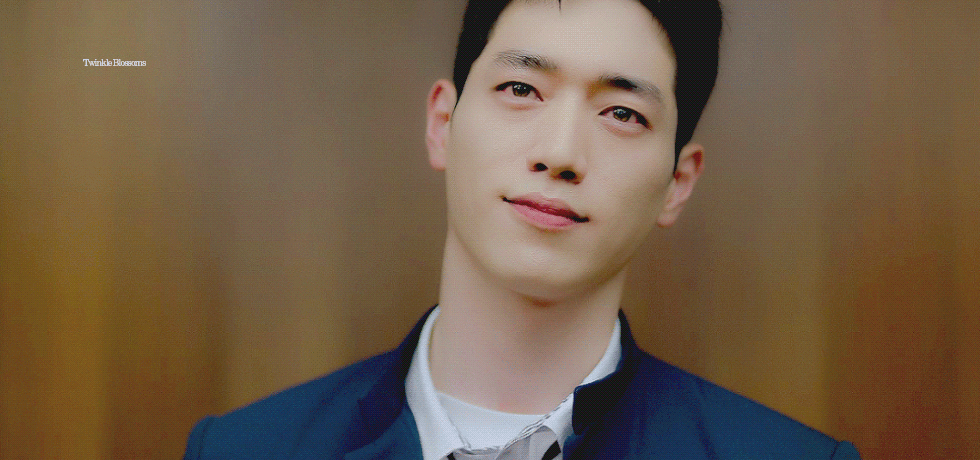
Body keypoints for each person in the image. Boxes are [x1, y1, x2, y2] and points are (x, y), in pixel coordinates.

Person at [184, 0, 861, 458]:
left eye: (623, 114)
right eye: (521, 90)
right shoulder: (245, 450)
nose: (560, 153)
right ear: (442, 124)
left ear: (677, 183)